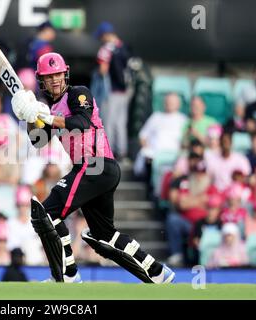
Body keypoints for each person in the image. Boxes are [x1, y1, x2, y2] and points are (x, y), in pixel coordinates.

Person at [10, 52, 174, 283]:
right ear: (42, 81)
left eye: (58, 74)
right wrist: (27, 115)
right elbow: (38, 140)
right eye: (49, 77)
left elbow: (82, 123)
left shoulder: (79, 93)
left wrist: (43, 116)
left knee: (46, 213)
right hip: (93, 171)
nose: (55, 80)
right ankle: (158, 272)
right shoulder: (50, 109)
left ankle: (67, 275)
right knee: (104, 236)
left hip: (97, 165)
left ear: (65, 74)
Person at [95, 22, 132, 160]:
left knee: (108, 122)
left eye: (101, 36)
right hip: (125, 91)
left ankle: (108, 153)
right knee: (121, 123)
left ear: (105, 35)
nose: (100, 39)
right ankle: (122, 151)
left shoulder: (106, 49)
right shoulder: (123, 47)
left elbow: (102, 70)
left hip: (111, 91)